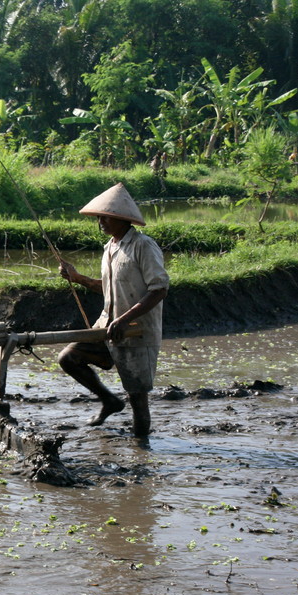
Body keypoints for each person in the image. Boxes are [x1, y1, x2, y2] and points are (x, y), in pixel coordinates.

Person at [57, 183, 169, 439]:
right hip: (107, 326)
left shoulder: (143, 246)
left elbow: (159, 290)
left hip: (136, 331)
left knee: (137, 398)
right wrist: (77, 278)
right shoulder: (110, 247)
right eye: (99, 217)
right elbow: (108, 288)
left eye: (106, 217)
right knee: (69, 358)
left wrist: (124, 319)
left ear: (122, 219)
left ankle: (141, 452)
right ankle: (109, 401)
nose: (101, 222)